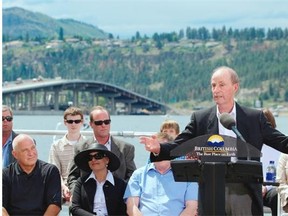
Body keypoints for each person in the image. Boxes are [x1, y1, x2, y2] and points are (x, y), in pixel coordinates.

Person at [140, 66, 288, 215]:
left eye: (221, 85)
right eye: (213, 85)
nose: (216, 90)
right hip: (211, 189)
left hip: (244, 194)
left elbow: (280, 141)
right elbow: (180, 144)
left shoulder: (254, 118)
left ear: (235, 87)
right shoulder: (201, 119)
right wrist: (158, 148)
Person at [124, 132, 198, 216]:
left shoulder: (187, 175)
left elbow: (192, 208)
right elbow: (132, 207)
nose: (160, 152)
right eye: (157, 148)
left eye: (163, 148)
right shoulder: (138, 175)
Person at [67, 105, 136, 191]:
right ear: (91, 124)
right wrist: (78, 194)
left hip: (118, 200)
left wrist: (122, 194)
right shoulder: (80, 148)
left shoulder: (126, 149)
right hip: (88, 200)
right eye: (99, 123)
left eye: (106, 122)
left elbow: (132, 176)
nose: (103, 125)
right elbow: (73, 176)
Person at [2, 134, 62, 216]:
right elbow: (1, 207)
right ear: (15, 154)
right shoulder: (5, 174)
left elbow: (55, 204)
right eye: (25, 150)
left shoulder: (50, 171)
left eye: (33, 148)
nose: (31, 153)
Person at [70, 142, 127, 215]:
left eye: (98, 156)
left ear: (107, 160)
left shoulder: (121, 185)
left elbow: (125, 210)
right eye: (90, 157)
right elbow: (74, 208)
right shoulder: (81, 182)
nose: (93, 160)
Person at [48, 106, 87, 203]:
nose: (73, 124)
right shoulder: (56, 146)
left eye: (77, 121)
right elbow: (54, 171)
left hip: (84, 185)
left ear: (82, 122)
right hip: (61, 185)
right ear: (65, 122)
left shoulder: (88, 144)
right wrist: (63, 187)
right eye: (70, 121)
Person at [262, 108, 278, 216]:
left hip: (271, 188)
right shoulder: (247, 144)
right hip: (251, 186)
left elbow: (280, 174)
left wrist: (266, 187)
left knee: (276, 196)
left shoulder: (278, 145)